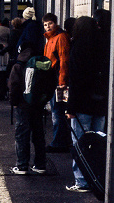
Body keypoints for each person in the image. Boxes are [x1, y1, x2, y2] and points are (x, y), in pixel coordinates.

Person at [65, 16, 109, 192]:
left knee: (81, 143)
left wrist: (70, 107)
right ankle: (97, 178)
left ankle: (82, 181)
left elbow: (76, 81)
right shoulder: (104, 46)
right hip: (100, 104)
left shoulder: (78, 48)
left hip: (82, 104)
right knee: (99, 142)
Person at [8, 41, 47, 175]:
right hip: (37, 104)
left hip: (22, 105)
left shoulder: (18, 66)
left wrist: (13, 102)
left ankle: (22, 165)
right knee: (39, 134)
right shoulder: (41, 65)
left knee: (22, 134)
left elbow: (14, 86)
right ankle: (40, 165)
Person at [42, 12, 71, 152]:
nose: (48, 27)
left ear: (55, 23)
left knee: (57, 112)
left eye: (50, 24)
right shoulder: (51, 38)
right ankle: (60, 141)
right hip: (52, 80)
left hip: (58, 81)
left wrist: (62, 81)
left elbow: (64, 60)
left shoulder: (60, 37)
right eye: (46, 25)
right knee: (56, 111)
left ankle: (59, 143)